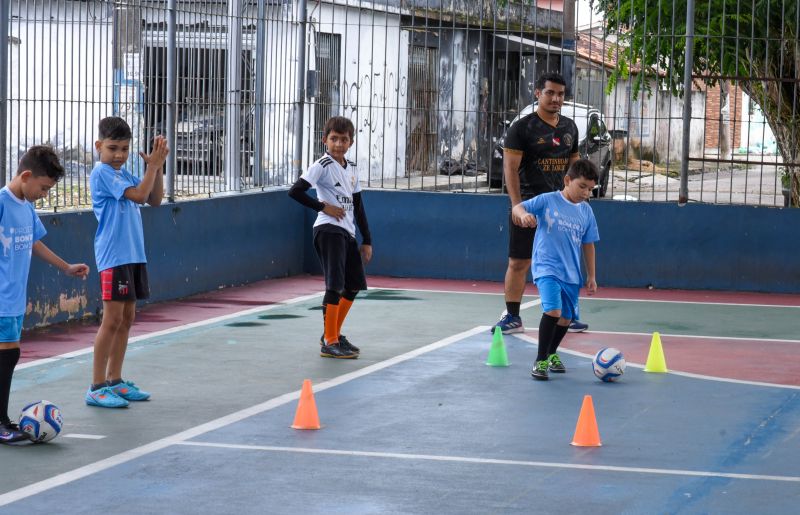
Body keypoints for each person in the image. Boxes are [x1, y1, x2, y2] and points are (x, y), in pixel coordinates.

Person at [0, 146, 90, 443]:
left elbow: (34, 242)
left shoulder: (26, 206)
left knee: (9, 355)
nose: (45, 194)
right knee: (7, 355)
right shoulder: (2, 202)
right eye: (44, 187)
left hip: (13, 298)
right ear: (26, 176)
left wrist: (65, 267)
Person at [492, 72, 589, 334]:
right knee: (519, 262)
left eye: (560, 94)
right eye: (550, 93)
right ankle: (512, 316)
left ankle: (567, 315)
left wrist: (577, 200)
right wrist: (517, 206)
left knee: (563, 263)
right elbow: (510, 170)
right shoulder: (522, 128)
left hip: (560, 209)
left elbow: (574, 167)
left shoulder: (570, 127)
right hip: (530, 206)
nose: (556, 98)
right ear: (538, 94)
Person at [86, 117, 168, 408]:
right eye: (112, 148)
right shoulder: (102, 173)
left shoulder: (123, 172)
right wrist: (152, 167)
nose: (119, 154)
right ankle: (96, 386)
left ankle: (115, 381)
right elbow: (139, 194)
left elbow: (154, 199)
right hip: (113, 256)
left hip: (134, 255)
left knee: (127, 319)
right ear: (99, 146)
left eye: (124, 148)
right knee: (111, 321)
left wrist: (156, 169)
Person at [288, 116, 372, 359]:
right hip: (328, 229)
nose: (338, 144)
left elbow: (358, 206)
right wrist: (322, 207)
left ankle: (331, 332)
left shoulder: (353, 167)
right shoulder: (322, 165)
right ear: (325, 140)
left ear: (351, 142)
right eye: (334, 139)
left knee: (354, 284)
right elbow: (295, 191)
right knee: (335, 284)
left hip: (347, 232)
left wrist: (367, 239)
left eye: (344, 140)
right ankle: (330, 341)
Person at [511, 159, 600, 380]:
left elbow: (588, 244)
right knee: (553, 311)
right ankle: (540, 361)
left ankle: (551, 353)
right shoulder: (548, 200)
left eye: (590, 189)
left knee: (566, 318)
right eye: (582, 187)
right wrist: (523, 216)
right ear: (567, 180)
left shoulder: (586, 212)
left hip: (571, 273)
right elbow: (518, 207)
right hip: (547, 267)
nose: (586, 193)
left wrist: (591, 275)